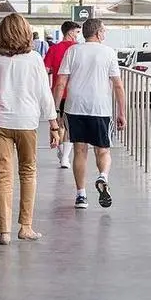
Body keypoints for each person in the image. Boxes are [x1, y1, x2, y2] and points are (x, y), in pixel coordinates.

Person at [0, 13, 59, 245]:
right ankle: (25, 227)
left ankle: (4, 232)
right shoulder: (33, 58)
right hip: (27, 122)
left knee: (3, 174)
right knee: (28, 171)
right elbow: (44, 93)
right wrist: (53, 123)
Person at [53, 18, 126, 210]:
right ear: (99, 33)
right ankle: (103, 176)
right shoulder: (109, 52)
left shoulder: (72, 51)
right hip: (100, 108)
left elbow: (60, 83)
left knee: (79, 150)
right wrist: (122, 113)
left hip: (75, 106)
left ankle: (81, 196)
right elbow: (118, 85)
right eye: (104, 31)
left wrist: (56, 111)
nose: (105, 34)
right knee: (103, 150)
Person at [44, 21, 81, 169]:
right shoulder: (78, 50)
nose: (79, 35)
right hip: (74, 93)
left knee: (58, 124)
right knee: (69, 126)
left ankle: (61, 153)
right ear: (70, 33)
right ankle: (65, 157)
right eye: (77, 32)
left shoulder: (54, 49)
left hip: (57, 93)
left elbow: (45, 70)